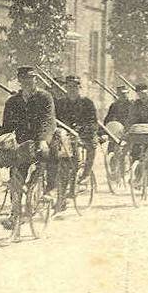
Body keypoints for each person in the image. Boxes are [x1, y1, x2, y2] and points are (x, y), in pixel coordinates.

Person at [0, 66, 56, 239]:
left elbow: (47, 120)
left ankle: (49, 190)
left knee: (51, 153)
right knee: (15, 173)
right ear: (19, 81)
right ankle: (14, 213)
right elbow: (7, 125)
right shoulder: (12, 101)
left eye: (30, 79)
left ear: (35, 80)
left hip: (42, 136)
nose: (27, 83)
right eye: (23, 80)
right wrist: (2, 141)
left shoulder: (44, 97)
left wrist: (42, 140)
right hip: (23, 142)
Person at [51, 75, 98, 209]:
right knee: (59, 162)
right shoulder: (60, 103)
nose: (72, 89)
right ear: (65, 88)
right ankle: (59, 194)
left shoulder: (87, 103)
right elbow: (55, 119)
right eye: (69, 86)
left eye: (74, 86)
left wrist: (81, 129)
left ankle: (85, 174)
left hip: (84, 135)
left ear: (79, 88)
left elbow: (93, 122)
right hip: (65, 137)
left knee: (88, 150)